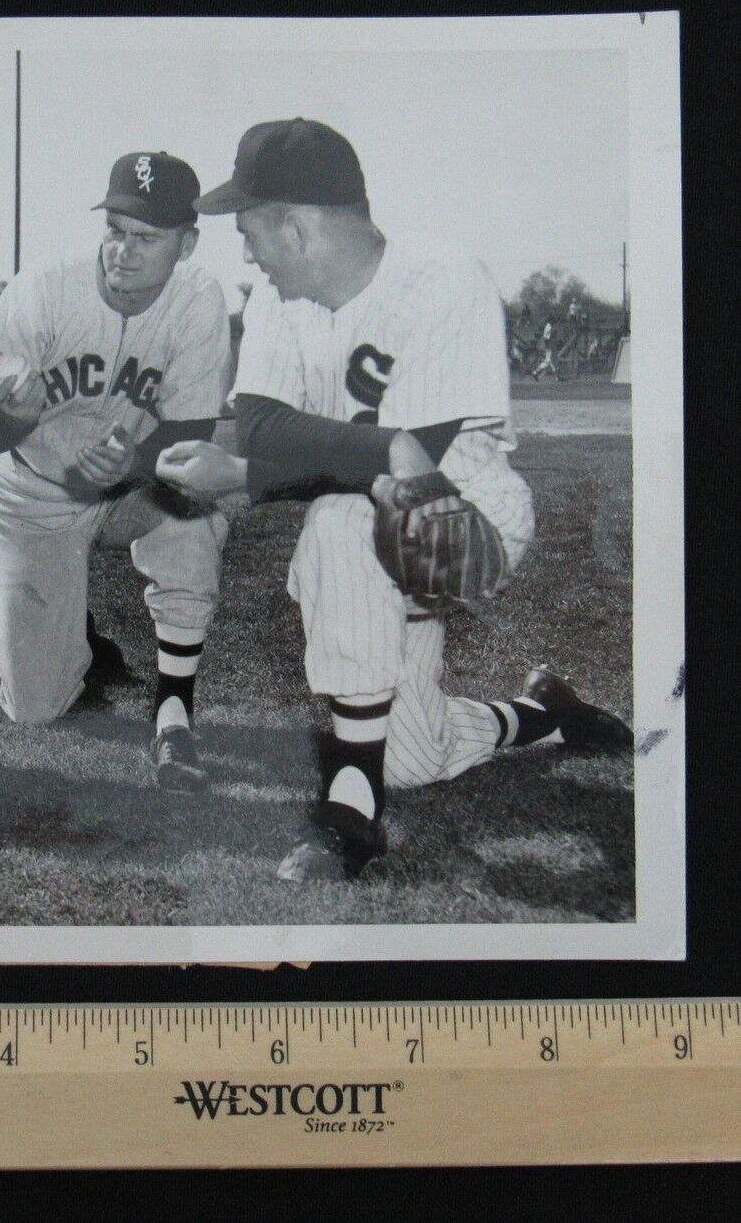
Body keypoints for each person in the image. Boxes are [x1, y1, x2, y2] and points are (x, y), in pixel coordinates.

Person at [156, 118, 632, 876]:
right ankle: (543, 714)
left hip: (466, 514)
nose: (245, 250)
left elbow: (419, 464)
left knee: (342, 517)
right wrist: (375, 447)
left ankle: (351, 811)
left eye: (250, 229)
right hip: (375, 535)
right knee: (414, 754)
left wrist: (256, 475)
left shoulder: (443, 280)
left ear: (299, 226)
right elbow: (266, 429)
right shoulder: (279, 304)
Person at [0, 152, 231, 791]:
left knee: (194, 508)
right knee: (33, 709)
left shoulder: (198, 300)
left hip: (126, 492)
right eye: (115, 230)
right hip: (32, 492)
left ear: (186, 243)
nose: (124, 252)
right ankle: (77, 635)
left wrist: (132, 462)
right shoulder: (44, 290)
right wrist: (10, 412)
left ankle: (174, 710)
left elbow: (192, 436)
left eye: (147, 237)